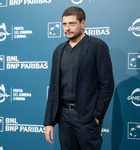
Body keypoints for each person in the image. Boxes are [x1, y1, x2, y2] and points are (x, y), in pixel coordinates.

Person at [44, 6, 114, 150]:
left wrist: (96, 116)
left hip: (86, 118)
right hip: (64, 117)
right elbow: (54, 87)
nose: (67, 28)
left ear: (83, 23)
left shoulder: (97, 46)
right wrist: (49, 122)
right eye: (64, 24)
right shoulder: (59, 50)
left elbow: (107, 85)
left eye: (72, 23)